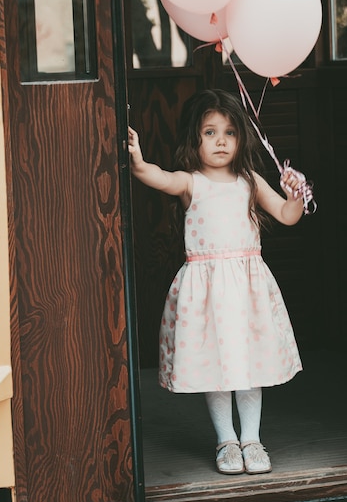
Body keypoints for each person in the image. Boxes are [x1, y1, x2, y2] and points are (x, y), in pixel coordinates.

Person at [128, 89, 305, 476]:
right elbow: (155, 176)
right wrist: (137, 159)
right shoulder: (192, 182)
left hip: (246, 290)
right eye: (210, 132)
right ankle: (226, 440)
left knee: (248, 366)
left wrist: (295, 196)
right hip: (207, 294)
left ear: (241, 138)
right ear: (195, 139)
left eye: (229, 132)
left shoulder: (249, 180)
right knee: (217, 368)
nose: (221, 140)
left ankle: (252, 439)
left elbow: (287, 215)